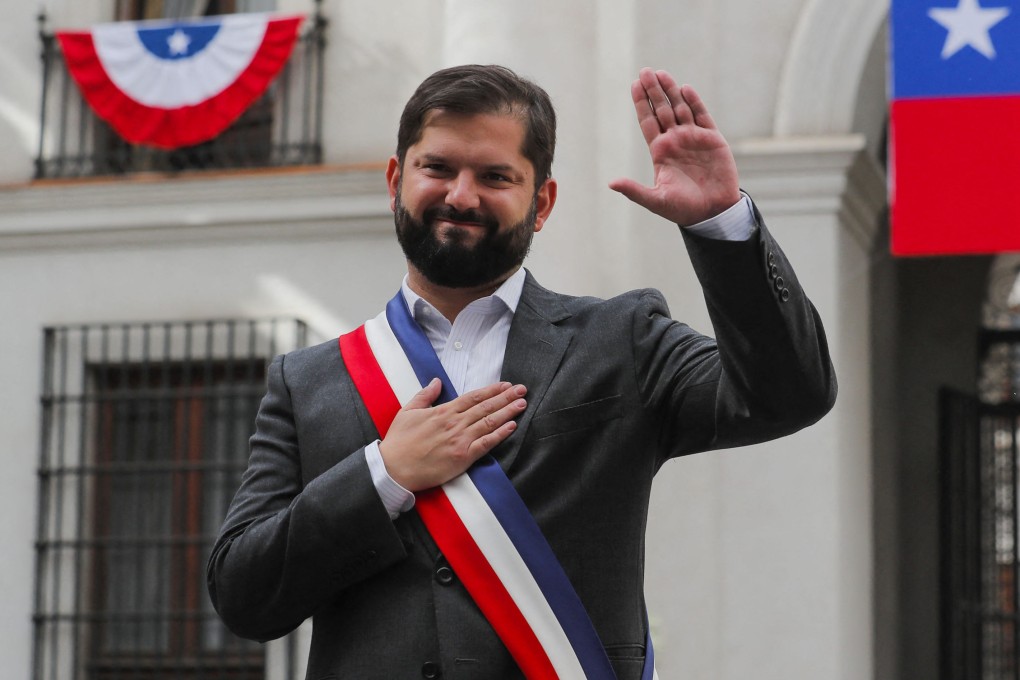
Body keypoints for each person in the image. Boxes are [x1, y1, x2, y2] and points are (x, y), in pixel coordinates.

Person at [207, 64, 836, 679]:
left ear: (542, 203)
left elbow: (788, 395)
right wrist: (383, 475)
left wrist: (720, 224)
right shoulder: (307, 381)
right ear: (397, 178)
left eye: (495, 176)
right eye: (438, 168)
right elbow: (243, 593)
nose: (460, 195)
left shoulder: (624, 340)